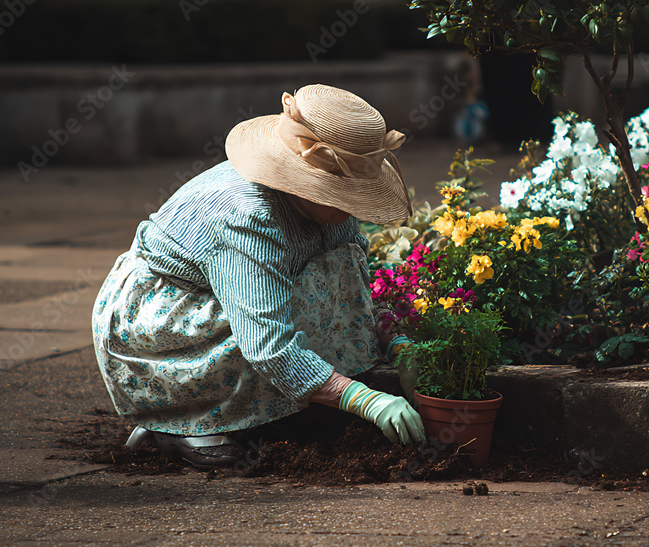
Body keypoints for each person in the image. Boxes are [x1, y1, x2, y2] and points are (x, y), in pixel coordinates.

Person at [91, 84, 426, 468]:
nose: (351, 207)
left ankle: (262, 413)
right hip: (162, 324)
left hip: (223, 302)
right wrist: (365, 399)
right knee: (297, 309)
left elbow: (352, 284)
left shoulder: (327, 212)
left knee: (323, 284)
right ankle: (181, 419)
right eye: (341, 193)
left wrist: (397, 342)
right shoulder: (252, 216)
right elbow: (266, 341)